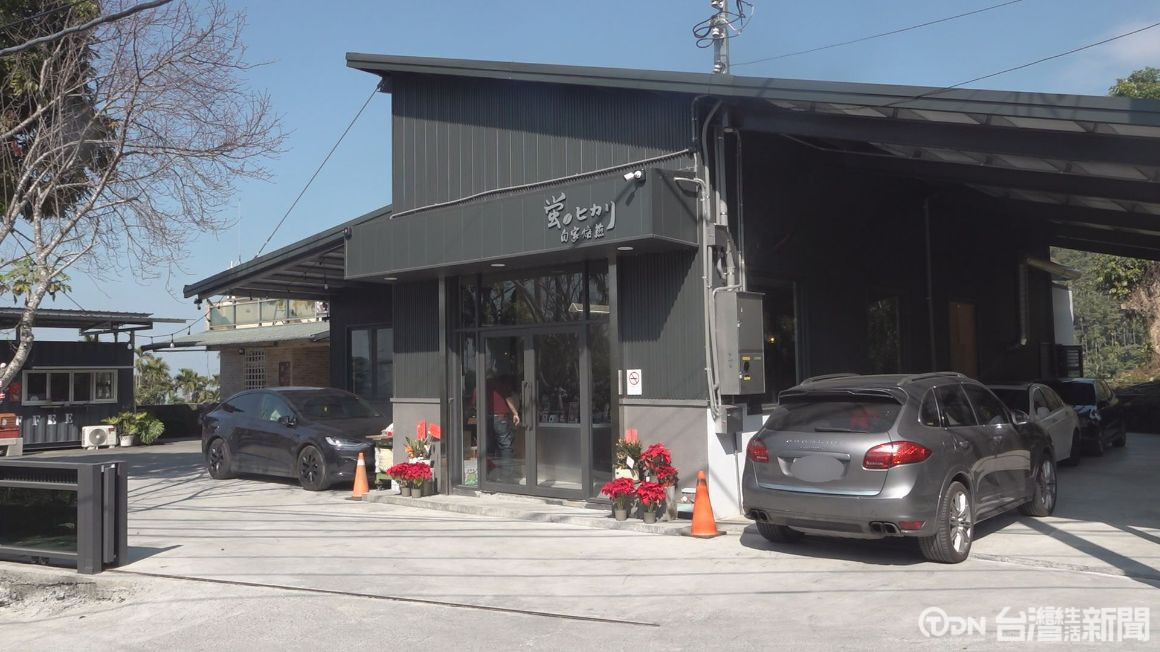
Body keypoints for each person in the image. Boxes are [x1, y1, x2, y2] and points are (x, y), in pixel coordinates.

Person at [486, 368, 520, 480]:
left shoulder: (481, 386)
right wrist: (515, 413)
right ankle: (507, 476)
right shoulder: (500, 384)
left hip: (487, 418)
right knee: (505, 447)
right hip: (500, 418)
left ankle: (489, 476)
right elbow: (508, 399)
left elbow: (474, 403)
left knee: (490, 448)